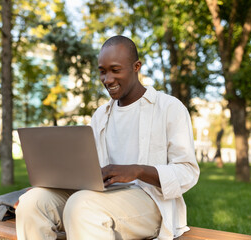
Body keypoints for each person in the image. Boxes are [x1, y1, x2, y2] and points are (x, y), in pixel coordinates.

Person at [16, 35, 199, 240]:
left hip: (150, 200)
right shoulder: (100, 115)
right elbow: (85, 169)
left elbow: (187, 171)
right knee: (32, 202)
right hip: (100, 194)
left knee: (81, 206)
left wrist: (137, 171)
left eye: (115, 70)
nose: (107, 79)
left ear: (136, 66)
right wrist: (51, 181)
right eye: (102, 72)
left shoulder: (169, 107)